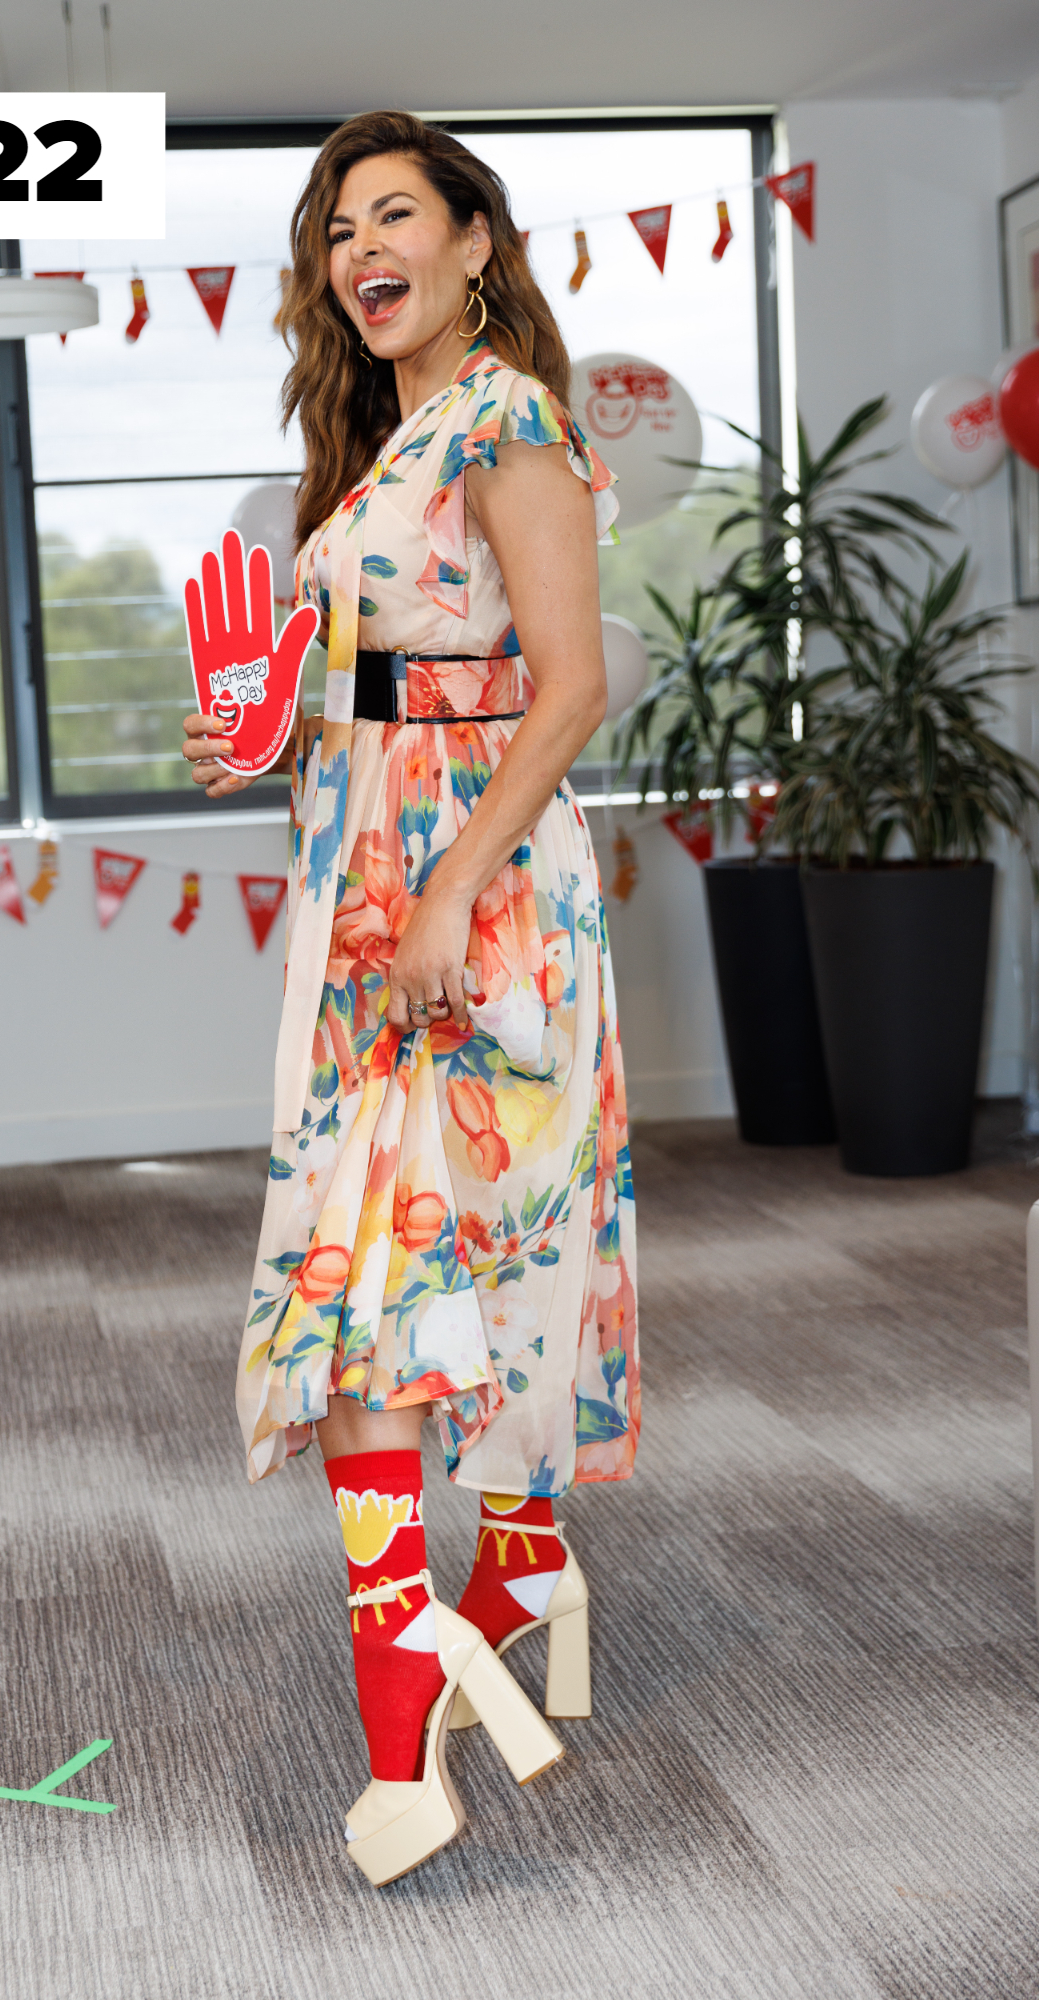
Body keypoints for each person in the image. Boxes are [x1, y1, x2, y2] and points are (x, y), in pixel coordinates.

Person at [183, 110, 639, 1886]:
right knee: (431, 1253)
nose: (354, 249)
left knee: (386, 1278)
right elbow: (403, 671)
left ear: (470, 241)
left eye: (391, 215)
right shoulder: (386, 446)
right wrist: (269, 718)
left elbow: (573, 681)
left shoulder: (513, 413)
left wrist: (452, 880)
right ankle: (510, 1566)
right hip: (362, 882)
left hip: (475, 894)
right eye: (330, 230)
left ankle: (405, 1705)